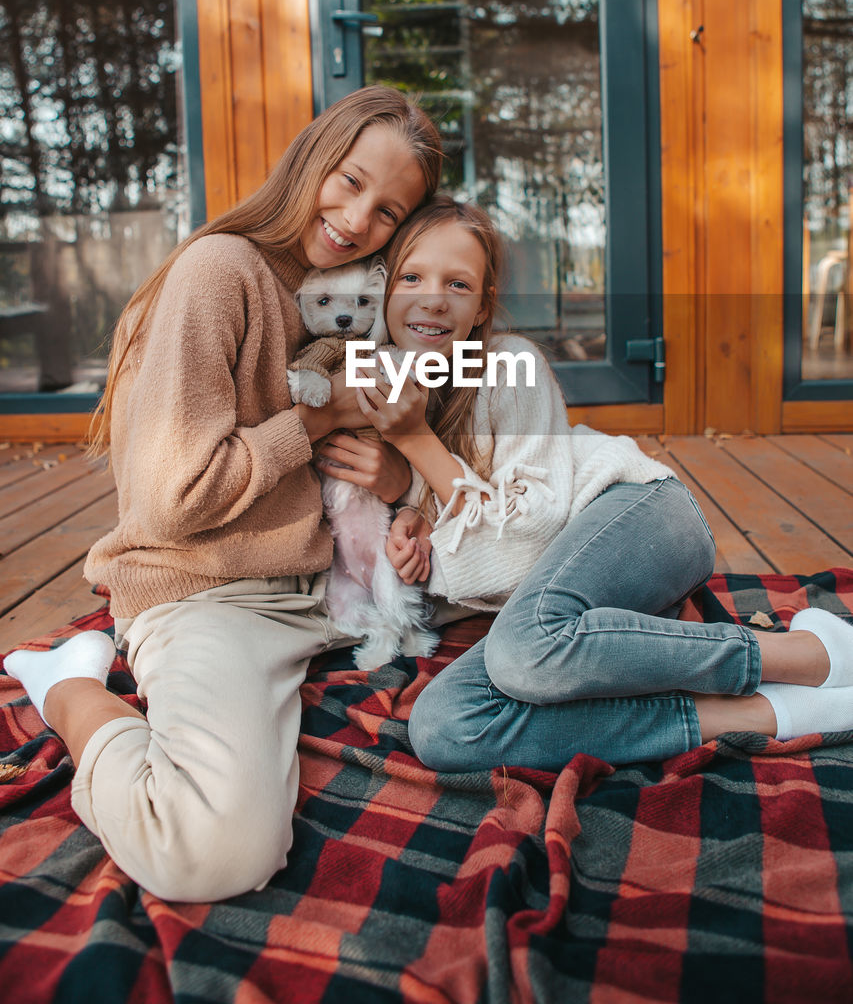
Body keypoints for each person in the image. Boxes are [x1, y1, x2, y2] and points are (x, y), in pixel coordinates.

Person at [2, 85, 443, 903]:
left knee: (520, 590)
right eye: (348, 181)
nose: (355, 218)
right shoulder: (220, 272)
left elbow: (378, 453)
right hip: (211, 590)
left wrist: (404, 490)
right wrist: (316, 422)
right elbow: (174, 499)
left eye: (387, 211)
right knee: (214, 852)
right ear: (310, 160)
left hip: (321, 583)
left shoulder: (343, 300)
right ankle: (64, 683)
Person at [342, 198, 853, 773]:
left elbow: (525, 538)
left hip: (642, 513)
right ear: (382, 289)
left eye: (457, 283)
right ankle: (765, 712)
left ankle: (806, 654)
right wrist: (418, 517)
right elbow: (472, 513)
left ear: (483, 305)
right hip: (568, 593)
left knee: (523, 648)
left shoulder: (511, 363)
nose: (432, 297)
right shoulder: (397, 387)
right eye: (411, 277)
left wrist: (413, 444)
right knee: (444, 729)